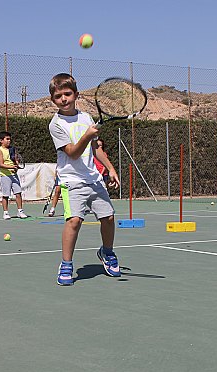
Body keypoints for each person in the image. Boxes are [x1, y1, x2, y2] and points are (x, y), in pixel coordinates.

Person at [48, 73, 121, 286]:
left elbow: (96, 147)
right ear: (52, 99)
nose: (63, 99)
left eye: (67, 94)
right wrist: (87, 136)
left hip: (94, 179)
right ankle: (66, 264)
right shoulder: (56, 124)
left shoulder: (86, 118)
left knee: (108, 218)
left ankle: (106, 253)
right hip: (71, 181)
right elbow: (72, 152)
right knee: (74, 221)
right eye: (58, 96)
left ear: (76, 95)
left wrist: (110, 168)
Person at [0, 131, 28, 220]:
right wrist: (11, 167)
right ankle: (5, 213)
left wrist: (16, 165)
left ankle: (20, 211)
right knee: (6, 195)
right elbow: (1, 164)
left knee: (18, 193)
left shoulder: (12, 149)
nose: (9, 141)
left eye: (10, 139)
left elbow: (15, 160)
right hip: (5, 176)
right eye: (7, 139)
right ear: (1, 140)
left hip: (14, 175)